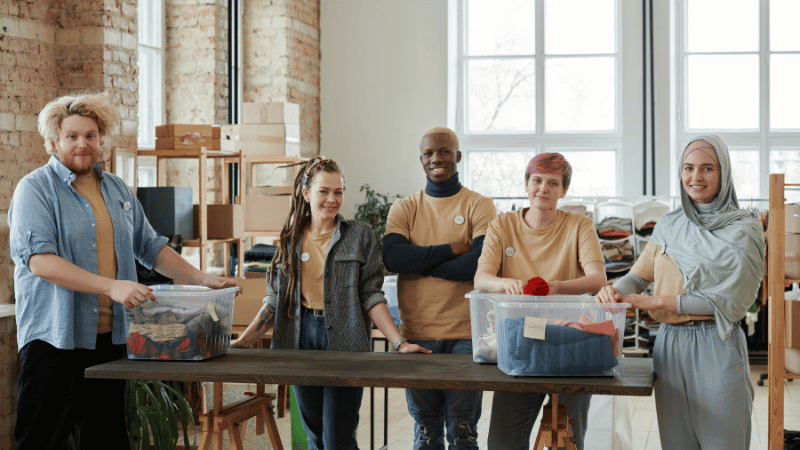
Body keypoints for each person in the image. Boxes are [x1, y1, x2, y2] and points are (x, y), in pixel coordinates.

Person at [8, 91, 241, 450]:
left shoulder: (115, 188)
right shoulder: (35, 189)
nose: (82, 144)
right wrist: (111, 287)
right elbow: (40, 261)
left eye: (90, 136)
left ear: (101, 140)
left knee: (107, 439)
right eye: (72, 136)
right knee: (41, 441)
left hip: (110, 339)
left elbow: (151, 247)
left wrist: (203, 279)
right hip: (55, 340)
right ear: (54, 141)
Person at [231, 157, 430, 450]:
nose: (332, 199)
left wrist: (399, 343)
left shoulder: (358, 233)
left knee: (337, 438)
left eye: (338, 192)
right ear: (306, 193)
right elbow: (275, 300)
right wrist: (245, 341)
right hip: (298, 340)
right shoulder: (289, 239)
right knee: (314, 437)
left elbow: (371, 295)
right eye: (324, 191)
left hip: (345, 340)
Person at [596, 135, 765, 450]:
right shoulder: (670, 225)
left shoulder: (745, 230)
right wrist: (614, 290)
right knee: (677, 444)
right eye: (688, 167)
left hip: (718, 344)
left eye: (707, 168)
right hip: (670, 346)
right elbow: (638, 275)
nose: (696, 177)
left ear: (724, 173)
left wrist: (655, 302)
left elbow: (734, 304)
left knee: (723, 444)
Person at [473, 152, 606, 450]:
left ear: (564, 190)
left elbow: (598, 279)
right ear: (526, 184)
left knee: (565, 442)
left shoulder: (580, 226)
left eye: (552, 183)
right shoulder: (502, 225)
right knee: (503, 441)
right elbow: (481, 279)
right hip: (520, 342)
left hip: (568, 343)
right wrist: (509, 283)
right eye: (537, 180)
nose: (543, 188)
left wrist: (555, 286)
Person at [383, 126, 497, 449]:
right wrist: (449, 249)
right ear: (421, 160)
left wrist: (419, 261)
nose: (437, 158)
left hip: (466, 335)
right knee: (426, 431)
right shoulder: (405, 208)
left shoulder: (479, 205)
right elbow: (392, 258)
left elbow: (478, 266)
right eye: (429, 153)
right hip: (417, 334)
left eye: (444, 151)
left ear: (457, 156)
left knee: (463, 432)